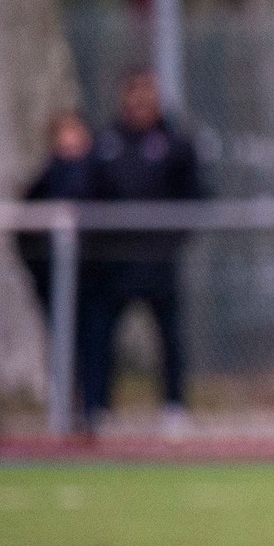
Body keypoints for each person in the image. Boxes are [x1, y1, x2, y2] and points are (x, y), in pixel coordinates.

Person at [84, 69, 203, 434]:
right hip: (112, 264)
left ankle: (174, 408)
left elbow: (195, 195)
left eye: (146, 94)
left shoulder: (175, 143)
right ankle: (97, 409)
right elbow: (87, 194)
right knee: (100, 337)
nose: (139, 103)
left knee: (170, 338)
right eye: (133, 94)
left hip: (158, 262)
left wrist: (170, 240)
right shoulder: (105, 143)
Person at [21, 110, 100, 322]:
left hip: (95, 276)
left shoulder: (102, 176)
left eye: (73, 131)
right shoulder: (45, 180)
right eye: (62, 132)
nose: (68, 139)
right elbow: (24, 231)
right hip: (52, 273)